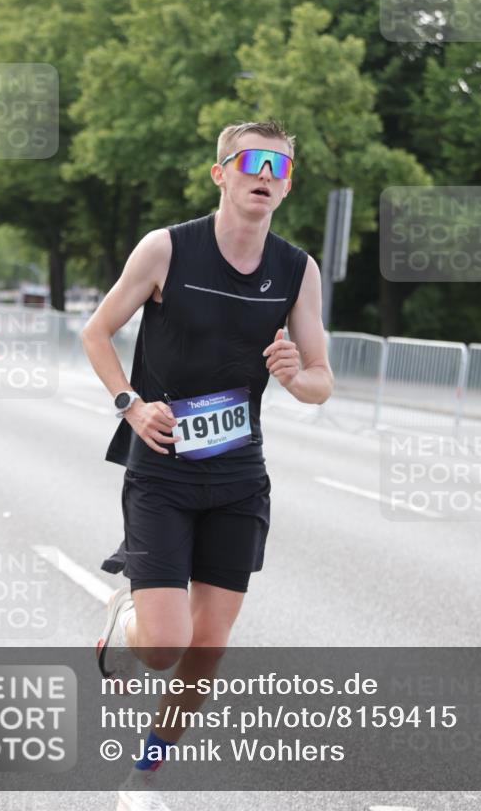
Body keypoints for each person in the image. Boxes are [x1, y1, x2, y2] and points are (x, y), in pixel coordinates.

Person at [81, 119, 334, 797]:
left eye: (279, 167)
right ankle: (125, 617)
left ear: (287, 186)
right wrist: (131, 404)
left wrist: (295, 376)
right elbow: (97, 332)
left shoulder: (296, 269)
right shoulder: (166, 249)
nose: (265, 176)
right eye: (252, 162)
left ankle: (150, 760)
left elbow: (321, 381)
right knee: (163, 645)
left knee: (206, 647)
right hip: (163, 469)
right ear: (220, 173)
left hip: (238, 478)